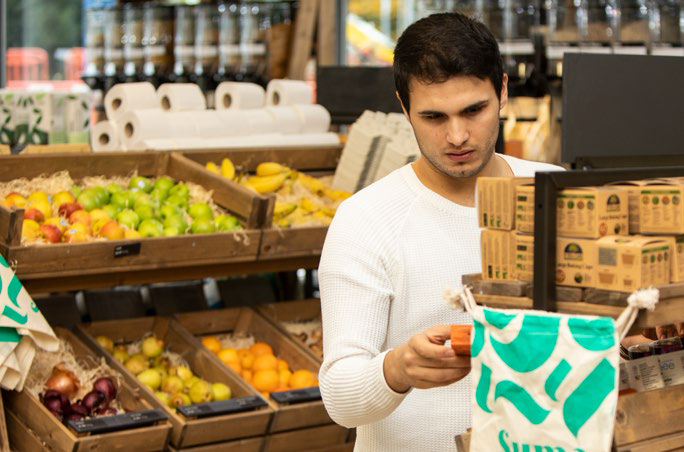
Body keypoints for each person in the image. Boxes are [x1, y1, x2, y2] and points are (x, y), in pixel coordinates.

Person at [317, 12, 563, 452]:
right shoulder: (367, 219)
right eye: (433, 116)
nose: (457, 135)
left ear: (503, 92)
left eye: (474, 110)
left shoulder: (556, 194)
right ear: (403, 106)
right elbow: (339, 396)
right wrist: (396, 369)